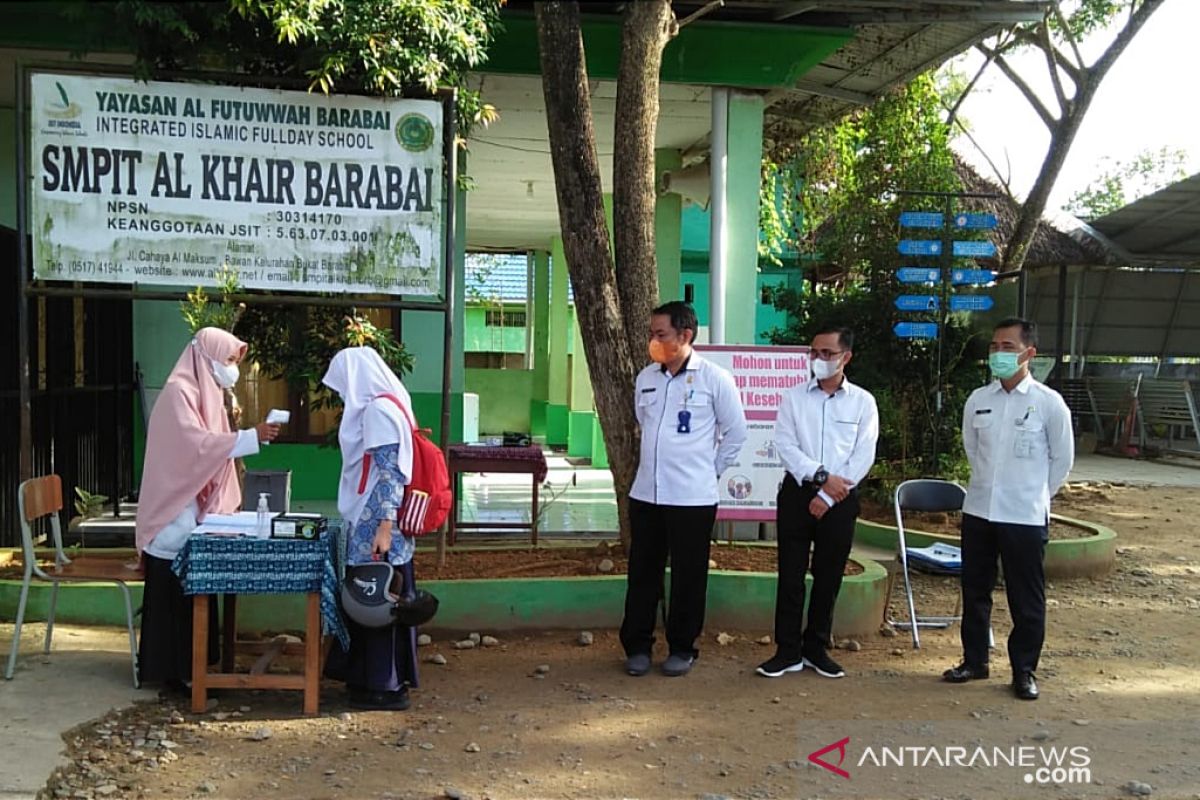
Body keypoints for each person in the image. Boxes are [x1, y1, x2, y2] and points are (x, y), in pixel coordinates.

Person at [135, 327, 280, 693]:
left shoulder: (209, 393)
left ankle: (193, 668)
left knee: (191, 595)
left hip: (191, 511)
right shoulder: (178, 394)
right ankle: (171, 674)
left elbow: (210, 447)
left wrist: (249, 437)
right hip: (171, 512)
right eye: (229, 359)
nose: (232, 367)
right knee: (173, 597)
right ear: (207, 356)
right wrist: (251, 437)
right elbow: (196, 447)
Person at [943, 317, 1074, 701]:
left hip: (1025, 516)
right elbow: (972, 449)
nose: (998, 354)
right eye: (994, 347)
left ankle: (1023, 670)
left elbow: (1062, 461)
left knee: (1025, 596)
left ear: (1029, 354)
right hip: (980, 510)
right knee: (975, 590)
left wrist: (1035, 495)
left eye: (1008, 347)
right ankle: (974, 660)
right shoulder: (978, 400)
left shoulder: (1049, 404)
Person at [620, 301, 747, 678]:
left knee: (689, 576)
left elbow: (736, 433)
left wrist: (709, 472)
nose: (653, 341)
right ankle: (638, 646)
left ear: (685, 336)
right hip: (646, 494)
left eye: (661, 334)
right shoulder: (646, 378)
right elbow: (643, 423)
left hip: (692, 498)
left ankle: (682, 647)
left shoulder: (714, 379)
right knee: (643, 572)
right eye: (652, 334)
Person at [757, 326, 879, 680]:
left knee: (829, 575)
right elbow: (785, 445)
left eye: (827, 353)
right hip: (798, 493)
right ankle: (787, 650)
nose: (819, 360)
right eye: (814, 353)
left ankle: (816, 647)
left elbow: (863, 453)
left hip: (841, 498)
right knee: (791, 575)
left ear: (846, 357)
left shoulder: (863, 402)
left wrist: (829, 494)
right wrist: (821, 478)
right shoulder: (794, 397)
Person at [321, 346, 421, 710]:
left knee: (376, 604)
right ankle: (368, 680)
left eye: (342, 385)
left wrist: (384, 527)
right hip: (378, 521)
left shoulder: (377, 412)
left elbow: (391, 474)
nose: (342, 394)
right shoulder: (388, 404)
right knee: (375, 601)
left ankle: (385, 685)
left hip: (376, 524)